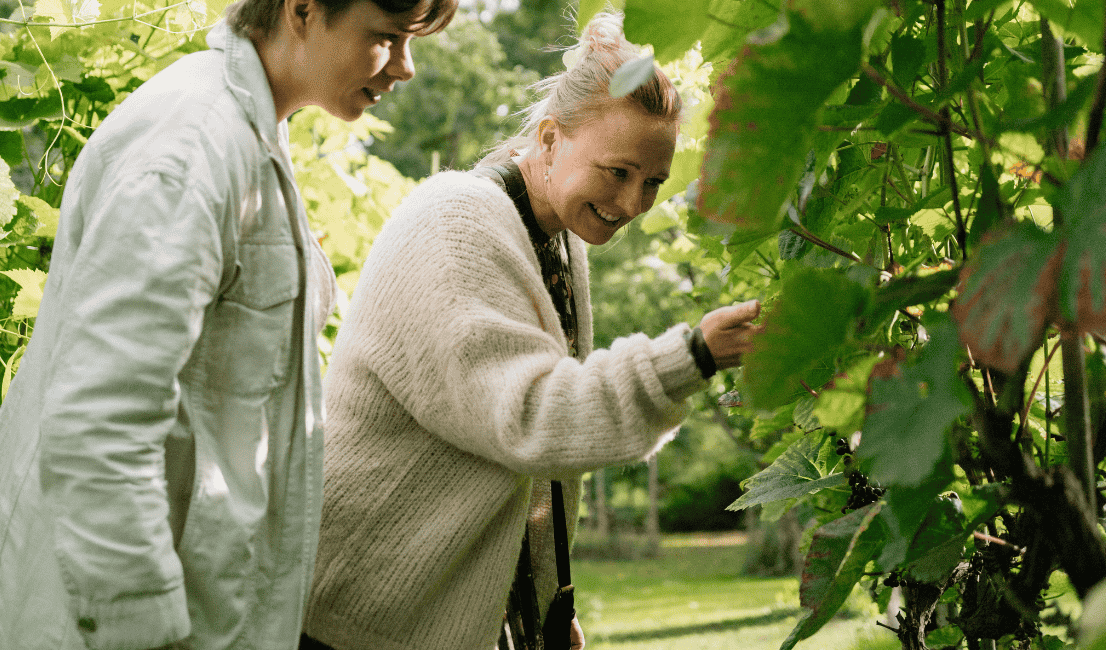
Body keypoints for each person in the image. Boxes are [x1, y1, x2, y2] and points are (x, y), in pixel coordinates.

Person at [0, 0, 452, 647]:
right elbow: (101, 423)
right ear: (302, 9)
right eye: (386, 37)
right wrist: (139, 623)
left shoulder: (246, 134)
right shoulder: (190, 150)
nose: (404, 67)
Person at [299, 13, 763, 650]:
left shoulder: (558, 240)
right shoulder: (455, 225)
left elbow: (532, 476)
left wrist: (540, 607)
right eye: (618, 172)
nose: (632, 204)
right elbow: (532, 416)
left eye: (653, 182)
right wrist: (694, 355)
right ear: (550, 139)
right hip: (347, 620)